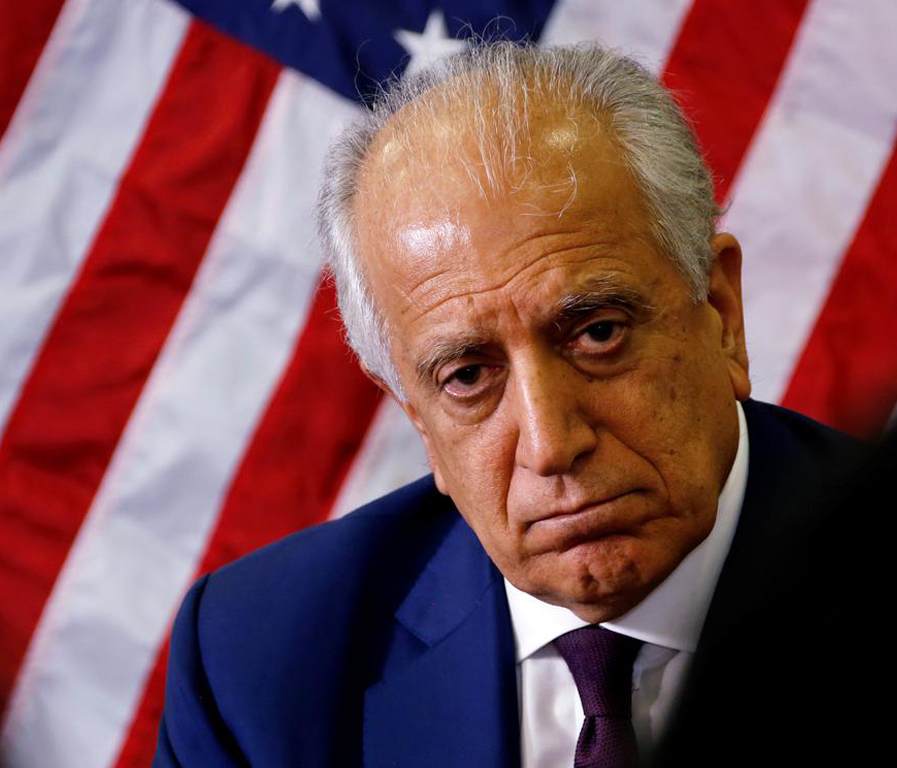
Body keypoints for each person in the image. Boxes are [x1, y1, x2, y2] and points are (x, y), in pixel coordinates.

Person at [153, 42, 856, 767]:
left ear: (721, 312)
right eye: (467, 376)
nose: (550, 445)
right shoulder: (256, 666)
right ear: (418, 418)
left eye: (598, 334)